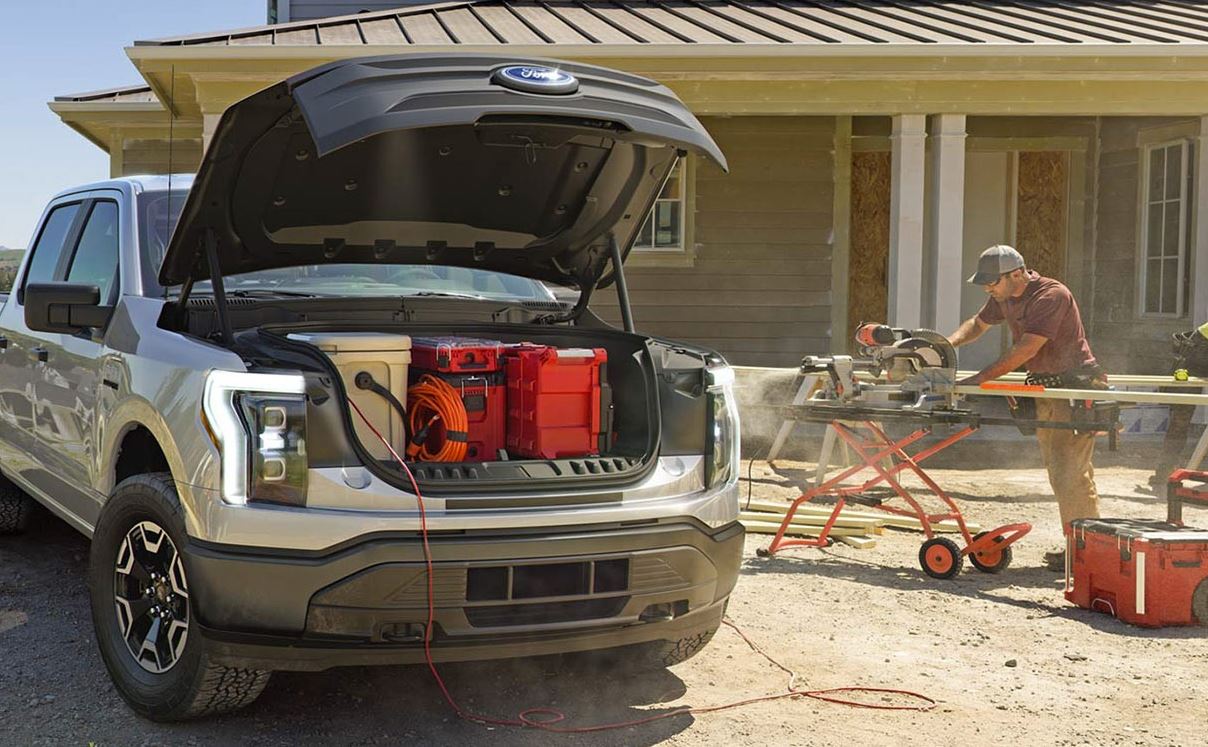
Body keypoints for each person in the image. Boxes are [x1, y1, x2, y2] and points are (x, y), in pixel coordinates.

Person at [947, 245, 1105, 571]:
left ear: (1016, 274)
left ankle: (1086, 552)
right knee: (1063, 472)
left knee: (1068, 473)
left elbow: (1026, 348)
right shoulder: (1005, 296)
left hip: (1073, 388)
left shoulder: (1051, 295)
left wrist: (981, 378)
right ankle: (1083, 546)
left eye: (993, 282)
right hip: (1048, 388)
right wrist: (946, 344)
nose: (988, 288)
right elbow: (977, 324)